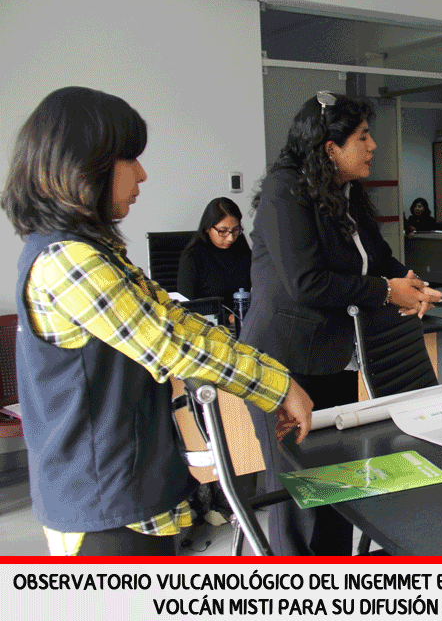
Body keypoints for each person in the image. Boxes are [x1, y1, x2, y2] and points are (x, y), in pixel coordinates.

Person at [1, 86, 313, 556]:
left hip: (133, 489)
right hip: (104, 506)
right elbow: (172, 343)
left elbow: (175, 318)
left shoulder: (95, 252)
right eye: (130, 158)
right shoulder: (68, 260)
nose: (142, 174)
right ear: (82, 167)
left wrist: (272, 378)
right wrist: (277, 385)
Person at [241, 91, 442, 555]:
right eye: (363, 136)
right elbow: (306, 282)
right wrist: (385, 291)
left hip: (330, 356)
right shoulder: (285, 190)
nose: (372, 146)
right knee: (300, 496)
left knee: (334, 489)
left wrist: (408, 283)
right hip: (284, 362)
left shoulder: (344, 191)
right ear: (330, 147)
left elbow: (377, 259)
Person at [177, 196, 252, 304]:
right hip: (209, 319)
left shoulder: (242, 248)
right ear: (207, 228)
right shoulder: (192, 257)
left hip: (244, 318)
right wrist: (228, 318)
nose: (230, 238)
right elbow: (187, 308)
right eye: (223, 231)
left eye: (235, 230)